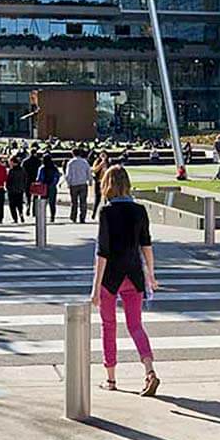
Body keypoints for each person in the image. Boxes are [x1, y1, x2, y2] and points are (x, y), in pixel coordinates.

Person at [89, 165, 160, 396]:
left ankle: (110, 379)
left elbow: (102, 252)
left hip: (110, 277)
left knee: (108, 327)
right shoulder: (140, 210)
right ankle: (149, 371)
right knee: (136, 325)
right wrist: (151, 274)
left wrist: (95, 289)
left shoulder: (106, 212)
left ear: (107, 185)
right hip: (134, 275)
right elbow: (146, 245)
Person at [65, 147, 92, 224]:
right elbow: (88, 172)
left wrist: (68, 183)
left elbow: (68, 175)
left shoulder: (70, 163)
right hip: (83, 183)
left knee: (74, 202)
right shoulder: (84, 162)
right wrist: (90, 180)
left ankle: (73, 217)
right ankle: (82, 217)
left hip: (74, 184)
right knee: (83, 202)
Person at [36, 152, 62, 222]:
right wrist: (54, 183)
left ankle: (43, 215)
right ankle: (52, 216)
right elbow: (57, 176)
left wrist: (40, 183)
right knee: (52, 203)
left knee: (43, 202)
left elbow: (39, 178)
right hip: (52, 187)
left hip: (44, 186)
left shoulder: (42, 168)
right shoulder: (54, 168)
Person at [6, 155, 28, 223]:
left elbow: (8, 181)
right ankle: (21, 214)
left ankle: (15, 219)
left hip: (12, 190)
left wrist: (8, 188)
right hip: (20, 190)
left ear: (13, 162)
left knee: (12, 206)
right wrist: (23, 187)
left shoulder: (11, 171)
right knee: (19, 204)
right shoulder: (22, 170)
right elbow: (25, 179)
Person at [91, 150, 110, 219]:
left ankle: (107, 213)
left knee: (107, 197)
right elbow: (94, 170)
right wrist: (101, 163)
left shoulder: (109, 162)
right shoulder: (97, 161)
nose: (103, 157)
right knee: (97, 198)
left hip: (106, 182)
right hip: (98, 181)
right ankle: (94, 213)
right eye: (102, 155)